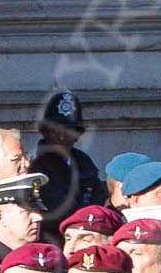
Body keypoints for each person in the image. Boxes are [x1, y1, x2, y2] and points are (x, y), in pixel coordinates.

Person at [33, 91, 107, 231]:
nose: (62, 137)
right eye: (56, 130)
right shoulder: (35, 169)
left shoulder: (85, 165)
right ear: (45, 132)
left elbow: (99, 201)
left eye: (69, 131)